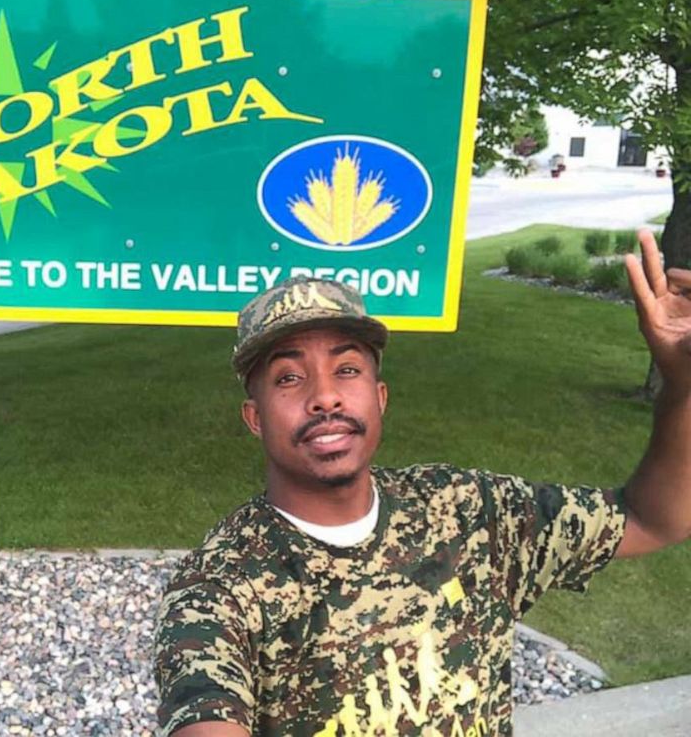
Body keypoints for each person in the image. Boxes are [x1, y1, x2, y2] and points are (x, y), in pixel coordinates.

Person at [153, 230, 691, 737]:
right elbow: (205, 711)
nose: (325, 397)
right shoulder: (222, 586)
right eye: (289, 378)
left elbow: (651, 519)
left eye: (347, 370)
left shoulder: (467, 511)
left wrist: (684, 388)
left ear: (380, 399)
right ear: (254, 418)